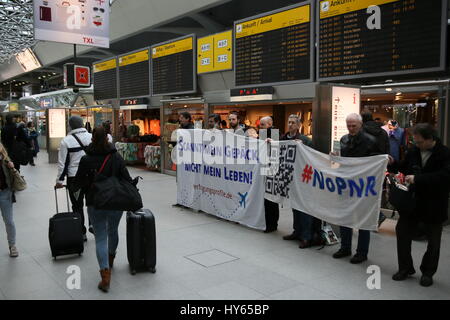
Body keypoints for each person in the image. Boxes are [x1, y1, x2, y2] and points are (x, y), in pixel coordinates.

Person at [389, 124, 450, 287]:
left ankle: (428, 272)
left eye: (420, 142)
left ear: (431, 139)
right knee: (402, 233)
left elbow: (445, 177)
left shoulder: (445, 153)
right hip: (412, 203)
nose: (417, 145)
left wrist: (417, 179)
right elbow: (402, 167)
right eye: (415, 142)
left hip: (434, 204)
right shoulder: (414, 151)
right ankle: (405, 268)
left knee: (434, 242)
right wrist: (392, 162)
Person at [74, 126, 133, 293]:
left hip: (95, 202)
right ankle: (111, 258)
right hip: (116, 200)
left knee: (100, 237)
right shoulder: (116, 156)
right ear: (107, 138)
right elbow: (127, 178)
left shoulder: (86, 159)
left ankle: (105, 277)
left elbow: (78, 182)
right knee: (113, 230)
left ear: (92, 138)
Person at [333, 113, 378, 264]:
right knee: (345, 216)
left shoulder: (371, 141)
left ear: (361, 125)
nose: (351, 129)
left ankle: (362, 252)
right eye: (349, 126)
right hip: (346, 183)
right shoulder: (343, 139)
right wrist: (334, 156)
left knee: (363, 219)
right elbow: (337, 161)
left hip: (362, 185)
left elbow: (375, 163)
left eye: (354, 126)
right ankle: (345, 247)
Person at [280, 115, 319, 248]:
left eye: (293, 123)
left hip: (302, 178)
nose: (290, 125)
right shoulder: (284, 138)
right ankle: (297, 231)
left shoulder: (305, 141)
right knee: (295, 206)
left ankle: (307, 236)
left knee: (304, 208)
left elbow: (312, 157)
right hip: (290, 177)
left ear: (298, 125)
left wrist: (303, 148)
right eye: (289, 122)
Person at [55, 116, 92, 241]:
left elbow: (63, 163)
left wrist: (59, 181)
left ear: (70, 126)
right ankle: (94, 225)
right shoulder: (91, 137)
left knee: (77, 205)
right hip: (91, 175)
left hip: (75, 178)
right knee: (92, 202)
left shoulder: (66, 141)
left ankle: (82, 232)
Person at [361, 111, 390, 227]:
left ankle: (376, 216)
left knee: (362, 193)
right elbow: (387, 149)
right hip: (379, 166)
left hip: (365, 166)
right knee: (374, 193)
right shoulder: (383, 132)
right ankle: (374, 217)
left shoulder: (361, 131)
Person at [259, 116, 280, 233]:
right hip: (264, 168)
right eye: (260, 124)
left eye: (262, 124)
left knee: (271, 198)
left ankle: (272, 224)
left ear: (269, 124)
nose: (260, 126)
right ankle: (268, 222)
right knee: (266, 198)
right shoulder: (262, 133)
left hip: (272, 170)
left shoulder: (274, 134)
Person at [0, 143, 18, 257]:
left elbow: (13, 177)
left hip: (5, 193)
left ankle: (12, 245)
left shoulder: (5, 160)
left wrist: (12, 167)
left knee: (9, 222)